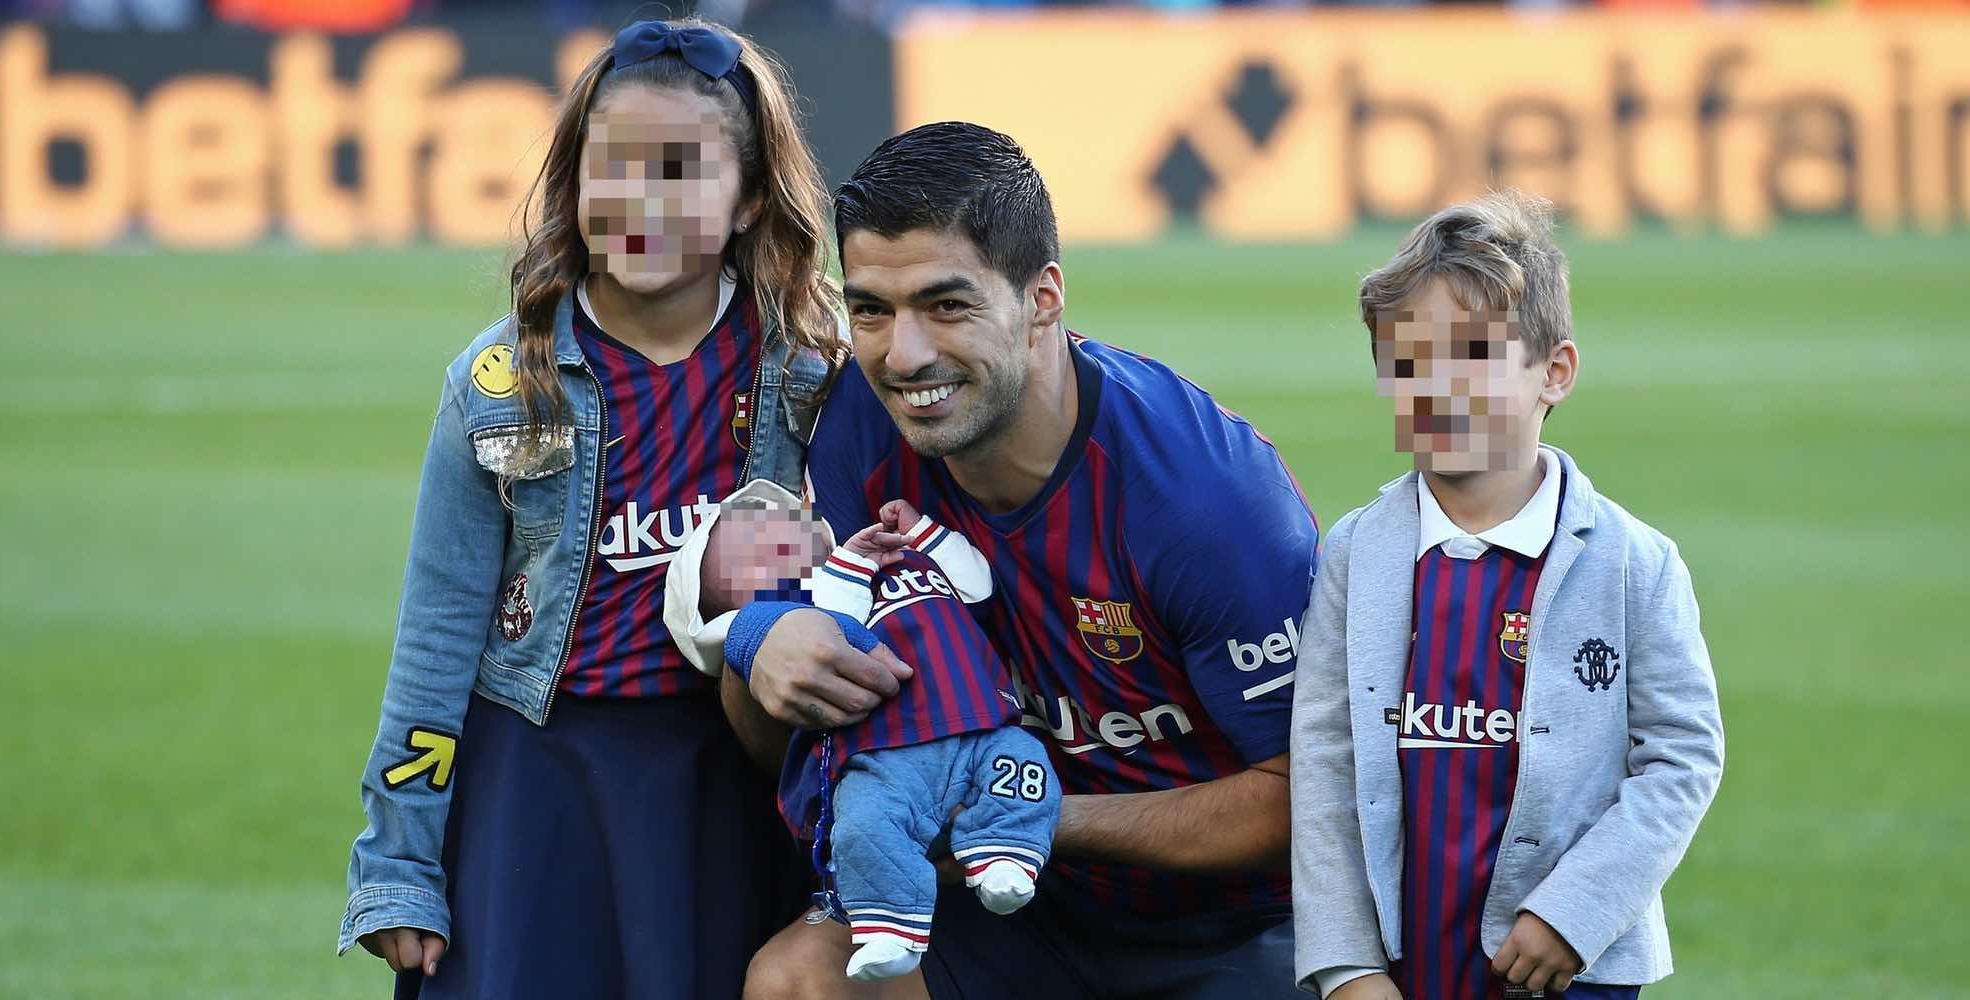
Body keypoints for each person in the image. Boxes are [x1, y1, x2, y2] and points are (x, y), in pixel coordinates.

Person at [665, 121, 1320, 999]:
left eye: (947, 304)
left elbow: (1298, 799)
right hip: (1002, 911)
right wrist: (760, 652)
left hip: (1235, 929)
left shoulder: (1208, 500)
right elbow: (814, 738)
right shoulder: (861, 422)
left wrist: (1034, 816)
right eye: (871, 310)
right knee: (797, 981)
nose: (904, 356)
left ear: (1043, 297)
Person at [337, 19, 872, 998]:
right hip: (539, 781)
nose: (641, 200)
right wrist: (398, 868)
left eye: (680, 172)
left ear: (749, 198)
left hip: (732, 778)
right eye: (612, 166)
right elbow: (436, 636)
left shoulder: (815, 366)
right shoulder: (498, 384)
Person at [1288, 190, 1725, 1000]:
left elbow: (1683, 755)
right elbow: (1324, 767)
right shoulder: (1356, 554)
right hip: (1401, 964)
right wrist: (1344, 964)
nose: (1437, 388)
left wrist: (1575, 912)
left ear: (1553, 372)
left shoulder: (1635, 563)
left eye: (1473, 355)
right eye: (1408, 364)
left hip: (1567, 969)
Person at [698, 494, 1061, 983]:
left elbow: (978, 589)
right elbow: (836, 625)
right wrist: (835, 575)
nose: (772, 544)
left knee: (1022, 763)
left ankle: (1004, 856)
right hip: (889, 760)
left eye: (770, 526)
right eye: (748, 559)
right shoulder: (812, 614)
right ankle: (888, 925)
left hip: (982, 721)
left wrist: (922, 535)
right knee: (864, 825)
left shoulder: (903, 555)